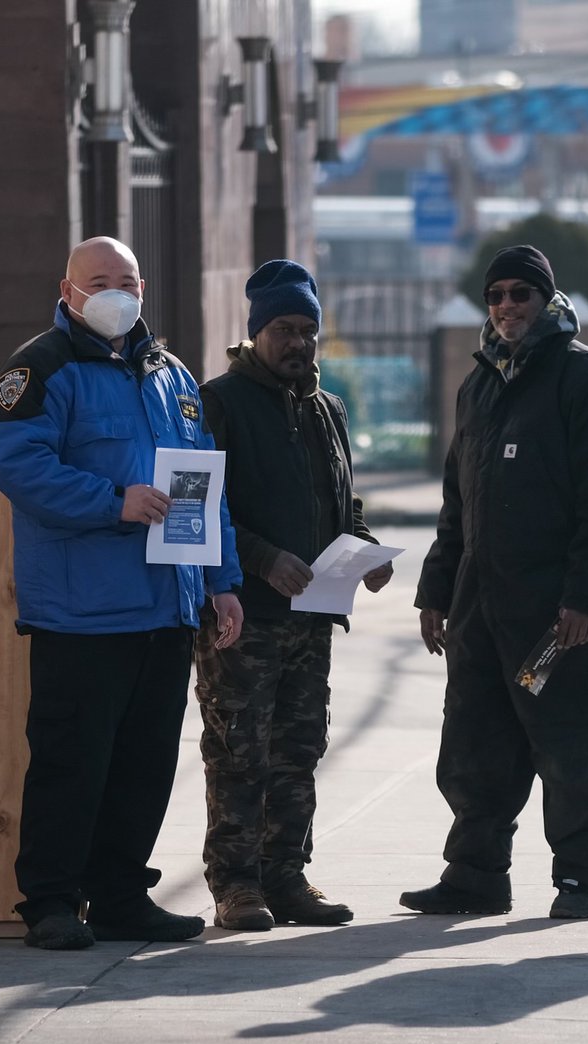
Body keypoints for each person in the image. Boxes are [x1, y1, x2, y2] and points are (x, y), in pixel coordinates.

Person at [0, 236, 245, 951]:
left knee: (144, 762)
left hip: (166, 608)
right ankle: (50, 902)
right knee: (73, 763)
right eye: (99, 280)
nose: (115, 292)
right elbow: (18, 466)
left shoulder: (169, 373)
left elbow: (203, 483)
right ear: (66, 288)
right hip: (81, 612)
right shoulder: (40, 368)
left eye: (126, 280)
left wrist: (222, 582)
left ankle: (123, 895)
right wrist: (113, 502)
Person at [402, 244, 588, 921]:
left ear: (547, 299)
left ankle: (583, 877)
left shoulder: (586, 380)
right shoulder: (479, 384)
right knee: (475, 744)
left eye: (521, 294)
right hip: (482, 609)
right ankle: (475, 874)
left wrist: (584, 599)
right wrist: (436, 592)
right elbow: (459, 503)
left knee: (569, 743)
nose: (508, 306)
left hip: (554, 614)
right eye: (497, 295)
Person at [194, 259, 392, 931]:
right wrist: (261, 558)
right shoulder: (218, 402)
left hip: (311, 618)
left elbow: (343, 502)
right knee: (238, 749)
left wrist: (363, 549)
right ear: (255, 333)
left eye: (308, 329)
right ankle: (236, 885)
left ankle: (287, 876)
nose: (298, 342)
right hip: (242, 615)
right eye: (283, 328)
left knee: (299, 752)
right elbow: (200, 507)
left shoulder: (326, 409)